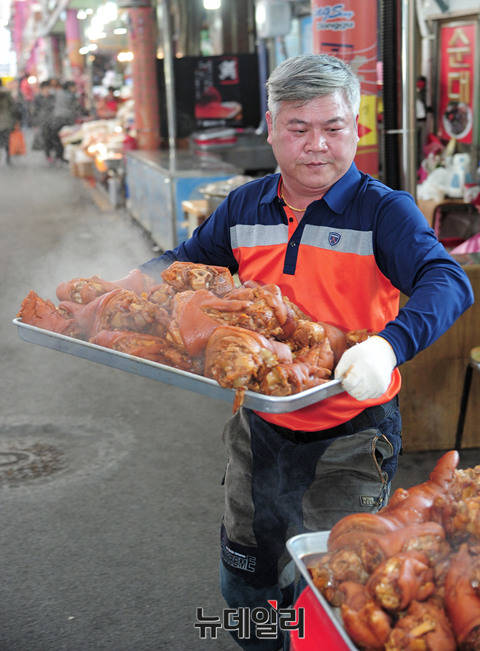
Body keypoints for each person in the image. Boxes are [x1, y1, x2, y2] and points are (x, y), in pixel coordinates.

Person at [140, 54, 474, 650]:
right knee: (245, 577)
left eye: (334, 127)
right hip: (258, 428)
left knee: (332, 591)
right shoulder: (244, 208)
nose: (317, 145)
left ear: (356, 129)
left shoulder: (381, 211)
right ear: (270, 126)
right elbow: (181, 264)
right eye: (298, 128)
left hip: (349, 434)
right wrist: (115, 294)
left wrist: (387, 346)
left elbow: (447, 280)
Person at [46, 80, 83, 162]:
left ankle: (59, 155)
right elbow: (76, 108)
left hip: (56, 118)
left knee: (58, 137)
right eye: (74, 87)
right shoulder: (71, 95)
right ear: (70, 87)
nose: (75, 88)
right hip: (67, 119)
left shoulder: (58, 93)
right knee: (67, 137)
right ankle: (64, 156)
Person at [0, 79, 18, 165]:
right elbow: (13, 107)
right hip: (6, 120)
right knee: (6, 139)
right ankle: (7, 156)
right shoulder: (7, 94)